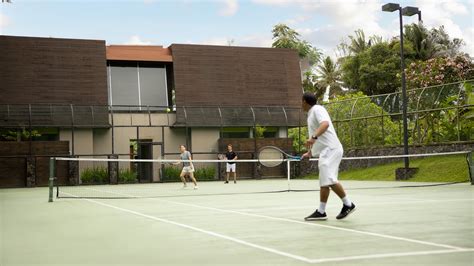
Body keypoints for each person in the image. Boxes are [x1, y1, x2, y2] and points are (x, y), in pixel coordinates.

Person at [301, 92, 356, 220]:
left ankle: (348, 204)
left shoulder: (317, 109)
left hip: (331, 149)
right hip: (326, 151)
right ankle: (321, 211)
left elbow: (325, 124)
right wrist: (310, 152)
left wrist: (313, 138)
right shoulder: (310, 115)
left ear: (304, 101)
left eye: (301, 101)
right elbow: (320, 137)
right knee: (324, 181)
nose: (301, 104)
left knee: (329, 179)